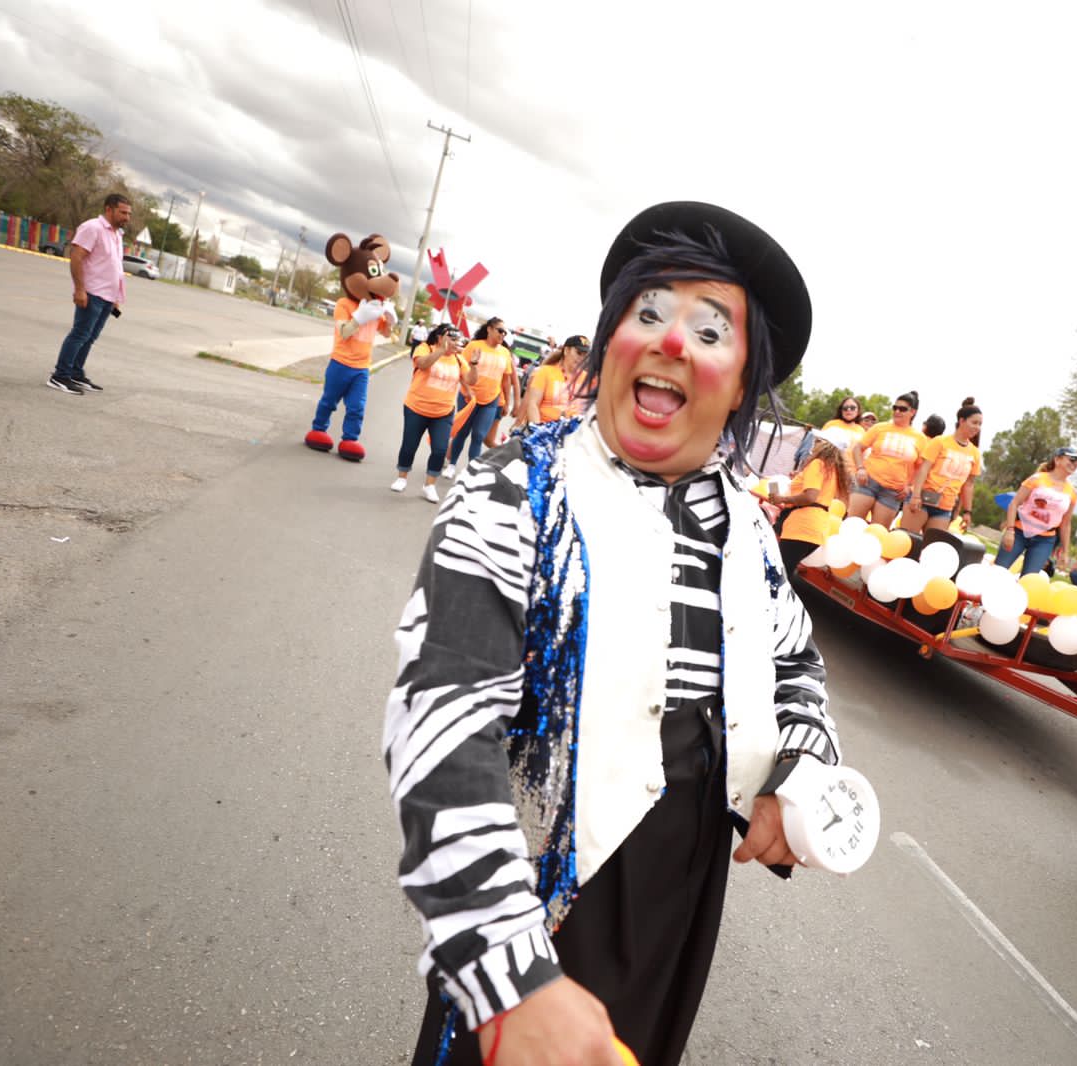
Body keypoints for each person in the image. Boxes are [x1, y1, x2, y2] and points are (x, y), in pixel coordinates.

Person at [384, 201, 840, 1066]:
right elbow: (444, 722)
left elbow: (794, 661)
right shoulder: (516, 488)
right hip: (540, 891)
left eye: (710, 330)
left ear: (741, 384)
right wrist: (506, 974)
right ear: (610, 343)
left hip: (684, 884)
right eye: (649, 312)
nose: (670, 341)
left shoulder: (748, 526)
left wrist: (799, 767)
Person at [302, 233, 399, 462]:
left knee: (357, 407)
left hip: (362, 368)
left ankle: (350, 439)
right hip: (340, 363)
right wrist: (359, 318)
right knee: (329, 401)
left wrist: (390, 320)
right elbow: (344, 332)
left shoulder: (375, 307)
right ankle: (318, 429)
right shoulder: (344, 304)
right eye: (372, 271)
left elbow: (386, 333)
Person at [47, 192, 131, 394]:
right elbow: (76, 257)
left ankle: (75, 373)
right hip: (92, 292)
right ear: (109, 209)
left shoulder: (117, 234)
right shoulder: (93, 228)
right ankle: (60, 376)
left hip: (107, 296)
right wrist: (79, 289)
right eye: (123, 213)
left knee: (90, 337)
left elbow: (113, 266)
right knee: (80, 334)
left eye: (129, 214)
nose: (127, 217)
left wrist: (116, 297)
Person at [392, 323, 476, 502]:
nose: (455, 342)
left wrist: (474, 365)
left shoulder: (458, 359)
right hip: (416, 407)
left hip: (443, 412)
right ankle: (402, 477)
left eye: (457, 339)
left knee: (440, 449)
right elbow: (422, 364)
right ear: (440, 337)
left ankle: (429, 485)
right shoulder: (425, 348)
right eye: (452, 338)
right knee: (409, 445)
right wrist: (441, 350)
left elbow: (471, 380)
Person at [768, 428, 852, 573]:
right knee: (782, 572)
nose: (814, 443)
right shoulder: (833, 469)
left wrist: (781, 499)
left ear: (825, 444)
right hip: (817, 528)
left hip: (802, 524)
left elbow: (810, 496)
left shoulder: (818, 463)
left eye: (818, 440)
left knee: (777, 574)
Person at [995, 446, 1077, 575]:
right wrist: (1010, 531)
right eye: (1072, 459)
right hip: (1018, 533)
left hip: (1044, 541)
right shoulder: (1036, 479)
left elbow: (1066, 524)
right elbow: (1014, 504)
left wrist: (1065, 552)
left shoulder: (1072, 492)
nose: (1075, 464)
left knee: (1029, 579)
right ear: (1058, 460)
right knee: (998, 571)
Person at [443, 317, 514, 477]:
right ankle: (452, 465)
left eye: (505, 333)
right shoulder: (474, 346)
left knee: (479, 435)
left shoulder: (505, 353)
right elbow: (461, 369)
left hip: (491, 400)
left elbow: (506, 379)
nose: (502, 335)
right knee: (462, 432)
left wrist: (506, 403)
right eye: (500, 331)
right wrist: (468, 390)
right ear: (489, 329)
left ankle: (471, 471)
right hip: (469, 398)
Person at [847, 391, 931, 525]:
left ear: (913, 412)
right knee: (852, 524)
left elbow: (922, 469)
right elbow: (857, 448)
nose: (897, 411)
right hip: (867, 482)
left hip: (893, 492)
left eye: (902, 409)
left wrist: (910, 487)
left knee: (877, 533)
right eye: (895, 407)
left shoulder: (920, 438)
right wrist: (860, 468)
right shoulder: (880, 427)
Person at [903, 398, 982, 534]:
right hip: (922, 499)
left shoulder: (975, 453)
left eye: (980, 424)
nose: (977, 427)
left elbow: (968, 485)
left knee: (933, 544)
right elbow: (924, 469)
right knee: (908, 540)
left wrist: (966, 511)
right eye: (974, 423)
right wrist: (915, 496)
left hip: (945, 507)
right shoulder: (940, 442)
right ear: (962, 421)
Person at [517, 335, 589, 427]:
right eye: (579, 353)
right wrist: (538, 429)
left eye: (585, 355)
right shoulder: (545, 372)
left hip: (572, 432)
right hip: (544, 428)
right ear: (566, 351)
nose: (582, 358)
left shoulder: (587, 379)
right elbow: (533, 404)